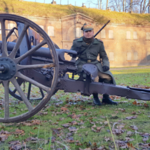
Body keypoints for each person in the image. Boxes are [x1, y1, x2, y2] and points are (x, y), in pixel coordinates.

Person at [70, 23, 118, 105]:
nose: (88, 33)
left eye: (90, 31)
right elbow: (71, 54)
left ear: (93, 32)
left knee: (108, 77)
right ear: (83, 33)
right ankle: (95, 98)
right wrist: (76, 51)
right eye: (86, 31)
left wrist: (106, 64)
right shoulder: (77, 42)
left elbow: (104, 56)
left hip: (95, 64)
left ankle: (106, 98)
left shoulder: (98, 43)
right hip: (82, 64)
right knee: (95, 78)